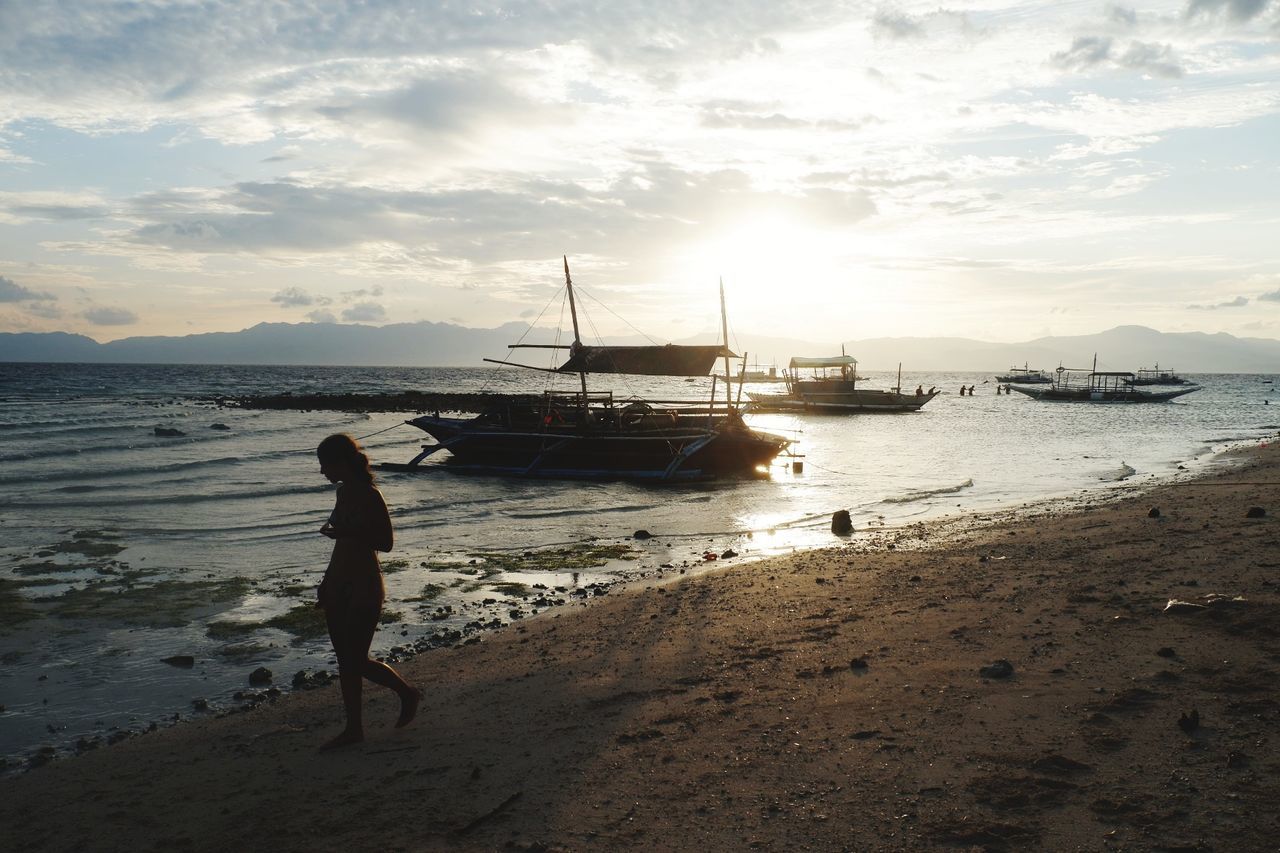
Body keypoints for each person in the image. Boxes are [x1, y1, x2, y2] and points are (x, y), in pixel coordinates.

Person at [316, 433, 420, 750]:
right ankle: (353, 728)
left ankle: (407, 693)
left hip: (364, 585)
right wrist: (326, 580)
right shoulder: (342, 492)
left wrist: (348, 531)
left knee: (356, 659)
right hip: (338, 583)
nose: (322, 471)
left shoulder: (371, 496)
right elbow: (342, 543)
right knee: (344, 660)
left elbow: (385, 543)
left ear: (341, 462)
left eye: (325, 464)